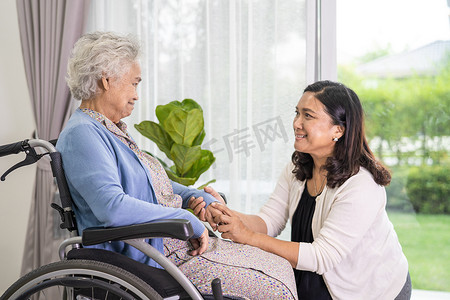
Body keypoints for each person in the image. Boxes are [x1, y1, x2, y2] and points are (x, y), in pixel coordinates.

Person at [57, 31, 297, 299]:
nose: (136, 95)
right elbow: (112, 208)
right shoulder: (83, 134)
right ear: (107, 79)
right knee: (275, 287)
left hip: (172, 246)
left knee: (279, 267)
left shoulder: (110, 129)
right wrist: (184, 218)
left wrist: (194, 196)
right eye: (134, 84)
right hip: (156, 256)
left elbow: (154, 185)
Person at [192, 80, 411, 300]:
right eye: (297, 113)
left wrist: (247, 235)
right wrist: (225, 212)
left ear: (338, 129)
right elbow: (269, 221)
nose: (296, 123)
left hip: (373, 292)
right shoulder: (298, 168)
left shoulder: (361, 184)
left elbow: (322, 256)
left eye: (308, 116)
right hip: (316, 285)